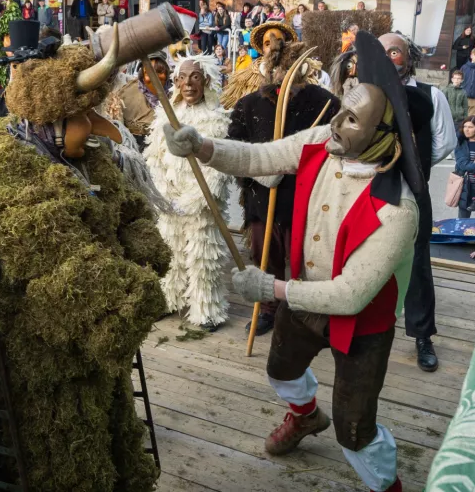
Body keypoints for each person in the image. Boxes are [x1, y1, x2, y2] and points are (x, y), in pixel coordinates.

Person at [164, 32, 423, 492]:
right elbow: (258, 156)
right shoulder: (324, 140)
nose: (336, 124)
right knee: (280, 370)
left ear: (384, 134)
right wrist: (202, 146)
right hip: (303, 297)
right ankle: (305, 417)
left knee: (355, 431)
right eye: (342, 108)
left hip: (362, 323)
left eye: (352, 120)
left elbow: (349, 295)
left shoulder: (398, 210)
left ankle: (389, 487)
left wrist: (271, 289)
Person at [228, 41, 340, 336]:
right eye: (281, 69)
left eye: (294, 71)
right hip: (262, 200)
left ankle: (304, 311)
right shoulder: (249, 104)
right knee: (266, 254)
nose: (287, 77)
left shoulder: (325, 103)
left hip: (307, 200)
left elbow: (339, 150)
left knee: (308, 258)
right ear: (271, 70)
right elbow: (235, 148)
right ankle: (268, 309)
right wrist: (257, 174)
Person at [378, 32, 456, 374]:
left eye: (394, 51)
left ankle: (423, 336)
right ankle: (366, 330)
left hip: (414, 189)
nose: (388, 57)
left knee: (418, 263)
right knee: (369, 257)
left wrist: (416, 166)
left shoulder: (431, 95)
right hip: (374, 190)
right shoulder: (365, 93)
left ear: (408, 57)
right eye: (382, 52)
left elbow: (446, 142)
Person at [144, 55, 231, 331]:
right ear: (176, 82)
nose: (188, 84)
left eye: (195, 77)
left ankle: (206, 310)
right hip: (170, 201)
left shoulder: (216, 119)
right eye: (182, 78)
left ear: (206, 81)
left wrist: (193, 201)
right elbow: (154, 157)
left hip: (201, 204)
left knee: (203, 256)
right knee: (171, 252)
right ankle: (168, 299)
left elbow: (217, 167)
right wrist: (164, 194)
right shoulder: (166, 116)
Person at [221, 21, 298, 110]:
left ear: (286, 43)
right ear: (262, 48)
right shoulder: (247, 77)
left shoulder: (299, 71)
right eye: (267, 44)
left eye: (278, 41)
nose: (273, 47)